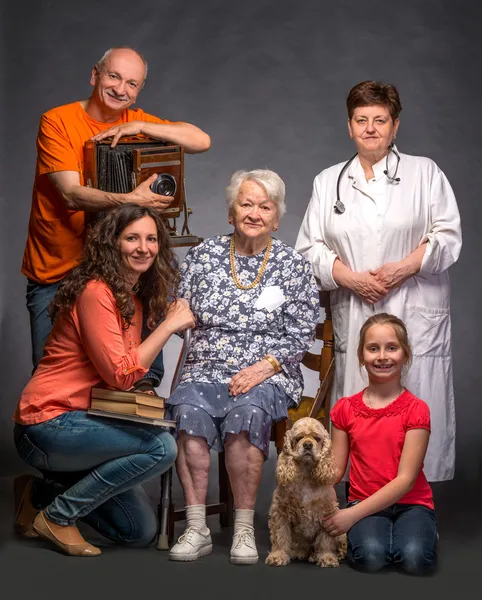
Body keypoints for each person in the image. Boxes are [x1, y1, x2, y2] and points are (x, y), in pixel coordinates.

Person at [295, 80, 462, 482]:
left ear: (395, 126)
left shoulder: (425, 173)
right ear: (349, 127)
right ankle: (360, 497)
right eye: (362, 120)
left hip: (414, 307)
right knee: (360, 407)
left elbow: (448, 238)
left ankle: (415, 502)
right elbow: (308, 251)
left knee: (415, 403)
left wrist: (403, 268)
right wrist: (351, 278)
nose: (371, 128)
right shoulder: (328, 181)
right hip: (357, 307)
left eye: (380, 120)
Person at [22, 46, 210, 391]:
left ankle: (133, 443)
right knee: (55, 379)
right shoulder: (57, 120)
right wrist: (131, 200)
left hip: (117, 270)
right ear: (95, 75)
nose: (121, 90)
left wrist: (140, 124)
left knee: (134, 378)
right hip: (57, 269)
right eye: (114, 77)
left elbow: (201, 140)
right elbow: (71, 193)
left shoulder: (134, 120)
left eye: (132, 84)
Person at [13, 204, 195, 557]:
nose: (144, 247)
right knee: (161, 447)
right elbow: (121, 374)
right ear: (113, 243)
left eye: (152, 239)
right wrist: (168, 325)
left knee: (138, 531)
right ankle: (58, 516)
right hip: (48, 423)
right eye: (132, 238)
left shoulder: (134, 298)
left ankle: (38, 495)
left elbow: (125, 376)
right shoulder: (96, 292)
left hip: (88, 422)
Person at [166, 169, 320, 564]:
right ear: (231, 212)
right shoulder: (203, 256)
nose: (254, 213)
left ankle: (245, 530)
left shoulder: (292, 265)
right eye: (245, 204)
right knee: (187, 410)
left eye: (264, 206)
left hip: (267, 369)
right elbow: (180, 311)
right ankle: (197, 527)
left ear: (277, 216)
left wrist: (263, 368)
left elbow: (300, 333)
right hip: (205, 366)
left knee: (248, 413)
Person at [324, 313, 437, 575]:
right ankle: (383, 532)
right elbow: (336, 470)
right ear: (361, 356)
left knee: (414, 559)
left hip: (412, 502)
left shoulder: (416, 410)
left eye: (392, 348)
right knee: (371, 558)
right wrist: (321, 490)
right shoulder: (345, 409)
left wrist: (350, 517)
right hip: (363, 499)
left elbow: (406, 480)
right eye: (373, 348)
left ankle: (426, 530)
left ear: (405, 355)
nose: (382, 356)